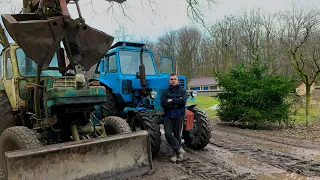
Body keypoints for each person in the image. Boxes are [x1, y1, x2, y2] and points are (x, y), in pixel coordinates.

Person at [160, 73, 187, 163]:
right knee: (168, 134)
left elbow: (183, 101)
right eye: (171, 79)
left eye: (174, 79)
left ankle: (176, 154)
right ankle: (179, 149)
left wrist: (172, 100)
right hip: (168, 116)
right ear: (169, 81)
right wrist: (176, 104)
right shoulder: (165, 92)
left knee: (177, 135)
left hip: (178, 116)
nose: (173, 80)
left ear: (177, 80)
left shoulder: (182, 91)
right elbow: (163, 103)